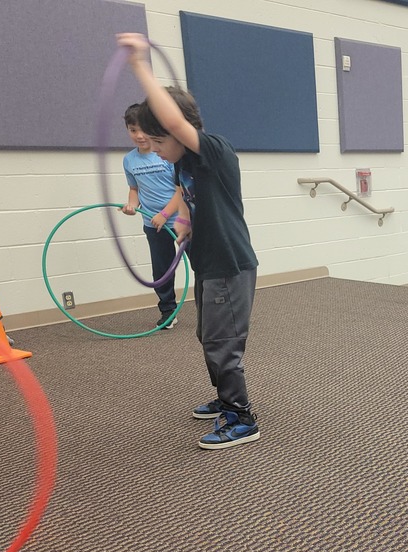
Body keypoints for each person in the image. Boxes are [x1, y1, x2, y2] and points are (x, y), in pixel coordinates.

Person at [117, 32, 261, 450]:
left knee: (222, 343)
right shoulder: (185, 166)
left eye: (158, 141)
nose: (155, 151)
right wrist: (182, 219)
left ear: (181, 133)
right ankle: (225, 398)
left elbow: (176, 123)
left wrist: (139, 65)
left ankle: (242, 417)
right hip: (208, 263)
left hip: (229, 266)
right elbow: (186, 195)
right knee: (207, 336)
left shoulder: (212, 150)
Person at [122, 103, 182, 329]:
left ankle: (209, 309)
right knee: (161, 269)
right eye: (132, 130)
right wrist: (131, 205)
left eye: (143, 129)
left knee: (200, 263)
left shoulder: (166, 154)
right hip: (153, 224)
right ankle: (168, 311)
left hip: (180, 220)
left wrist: (165, 214)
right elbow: (134, 189)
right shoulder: (129, 160)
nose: (138, 135)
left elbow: (181, 190)